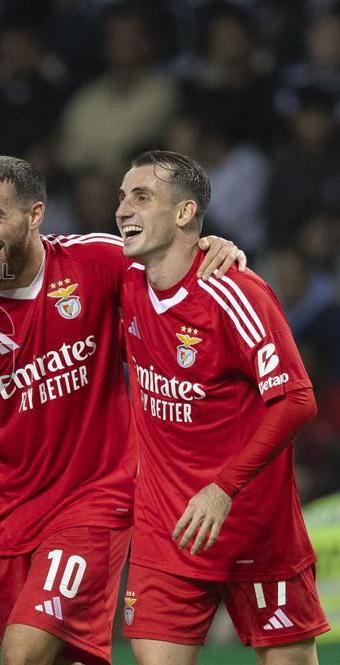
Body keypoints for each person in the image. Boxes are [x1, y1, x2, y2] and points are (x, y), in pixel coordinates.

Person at [0, 156, 246, 665]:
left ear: (35, 215)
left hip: (94, 500)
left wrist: (212, 244)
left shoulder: (97, 261)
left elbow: (171, 265)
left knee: (23, 653)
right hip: (4, 523)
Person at [116, 150, 329, 665]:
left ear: (185, 213)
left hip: (253, 530)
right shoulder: (122, 280)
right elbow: (46, 262)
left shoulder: (235, 292)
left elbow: (297, 399)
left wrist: (222, 487)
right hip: (165, 536)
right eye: (121, 197)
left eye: (141, 197)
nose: (123, 209)